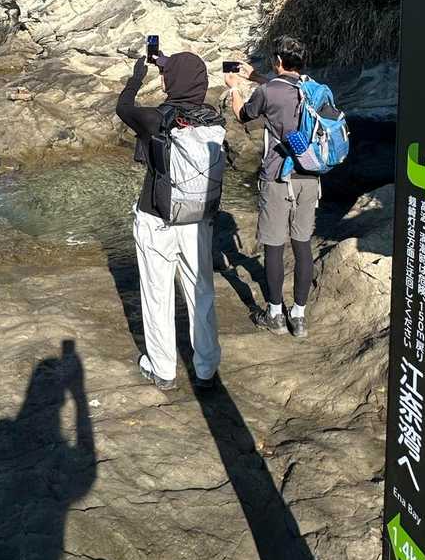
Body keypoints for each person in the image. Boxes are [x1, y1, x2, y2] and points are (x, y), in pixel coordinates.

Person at [116, 49, 223, 391]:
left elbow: (123, 108)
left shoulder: (156, 119)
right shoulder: (213, 120)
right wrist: (165, 62)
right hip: (198, 219)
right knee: (201, 292)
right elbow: (185, 79)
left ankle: (163, 369)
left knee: (157, 293)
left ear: (171, 82)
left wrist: (136, 78)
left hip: (156, 218)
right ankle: (206, 369)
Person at [223, 35, 317, 339]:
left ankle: (275, 314)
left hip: (278, 176)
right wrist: (256, 76)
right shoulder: (312, 88)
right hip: (309, 176)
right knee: (302, 245)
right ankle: (298, 318)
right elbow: (283, 91)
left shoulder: (267, 91)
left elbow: (243, 115)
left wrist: (234, 87)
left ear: (277, 61)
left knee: (274, 246)